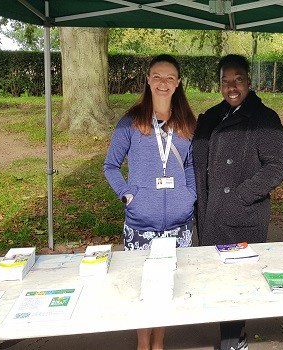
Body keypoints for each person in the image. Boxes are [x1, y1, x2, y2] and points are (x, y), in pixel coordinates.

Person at [192, 54, 283, 350]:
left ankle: (233, 342)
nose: (231, 86)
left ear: (249, 81)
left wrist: (240, 198)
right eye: (225, 81)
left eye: (238, 80)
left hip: (240, 213)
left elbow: (277, 166)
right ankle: (231, 336)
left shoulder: (264, 119)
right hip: (211, 212)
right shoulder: (212, 116)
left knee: (236, 279)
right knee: (219, 278)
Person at [104, 54, 197, 350]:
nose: (163, 83)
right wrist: (128, 194)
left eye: (170, 77)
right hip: (141, 224)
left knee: (167, 287)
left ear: (178, 83)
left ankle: (159, 344)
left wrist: (190, 195)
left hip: (179, 226)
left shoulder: (186, 124)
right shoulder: (131, 122)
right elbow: (110, 166)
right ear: (147, 79)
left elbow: (192, 166)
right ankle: (143, 345)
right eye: (157, 76)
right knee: (144, 289)